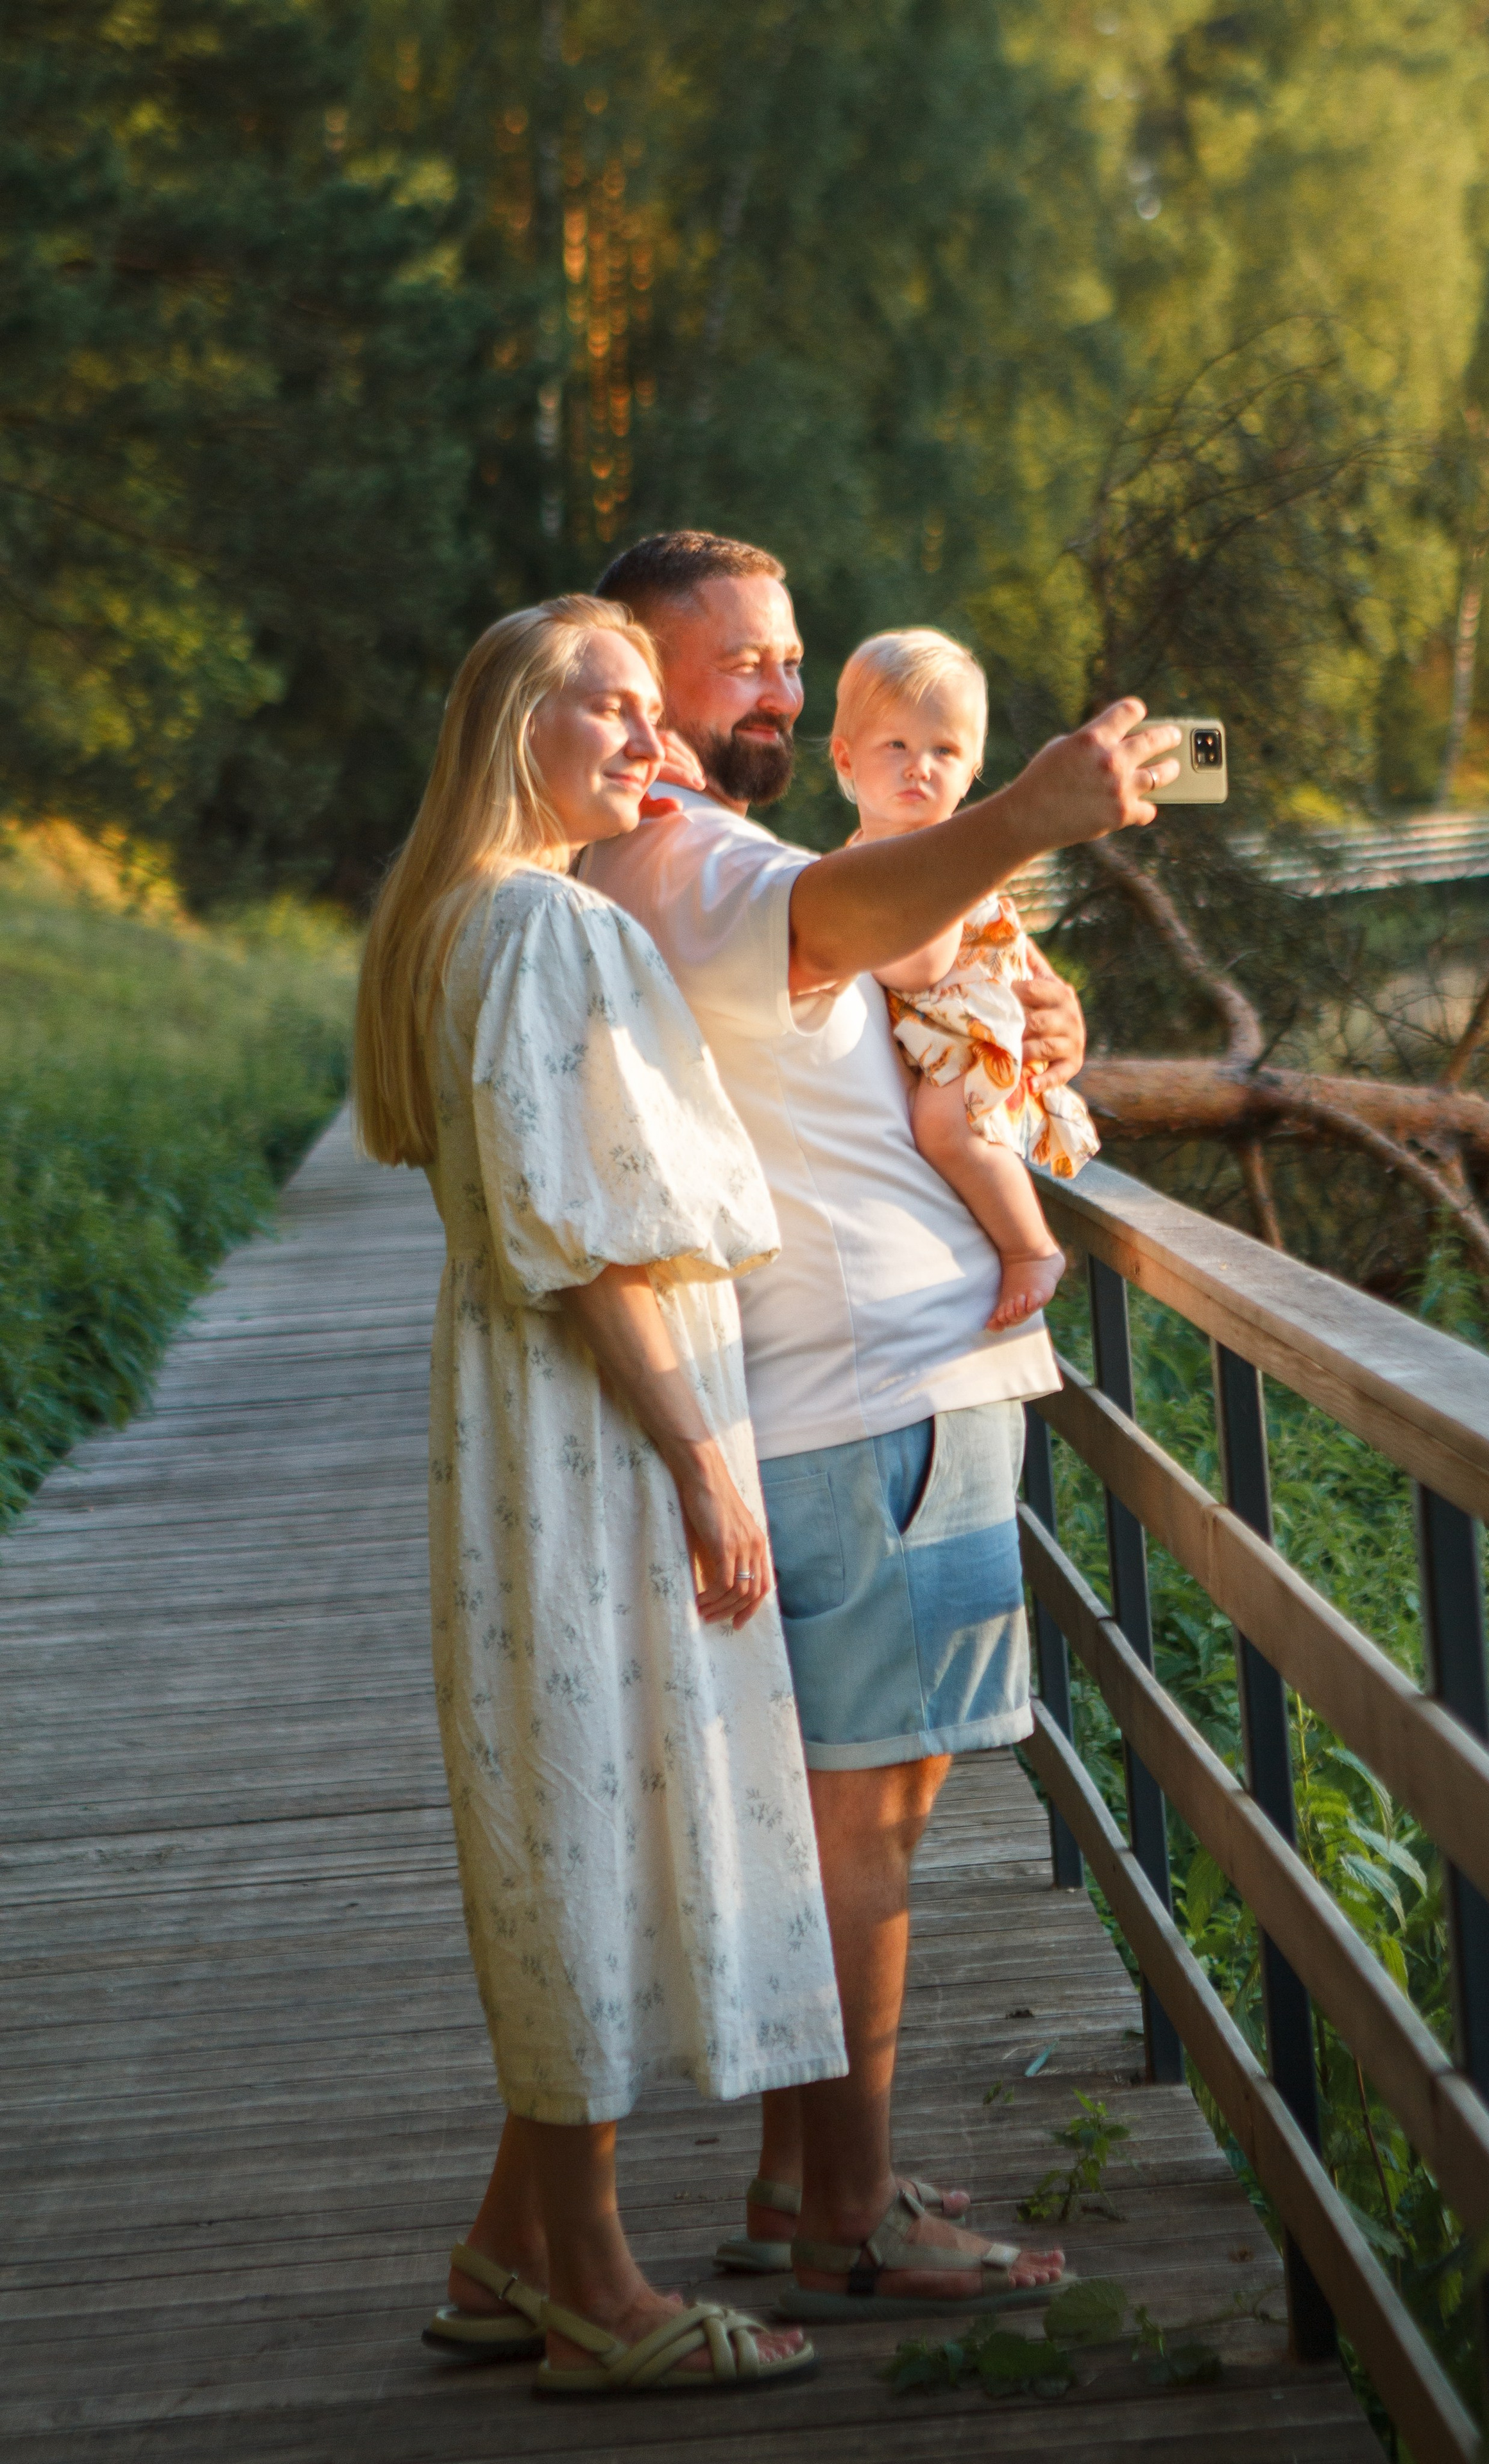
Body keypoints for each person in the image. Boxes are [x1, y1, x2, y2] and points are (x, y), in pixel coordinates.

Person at [583, 531, 1177, 2320]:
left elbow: (883, 981)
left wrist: (1039, 1017)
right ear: (637, 679)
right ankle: (853, 2213)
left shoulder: (688, 849)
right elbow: (843, 921)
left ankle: (799, 2182)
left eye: (787, 657)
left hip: (854, 1389)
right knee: (872, 1831)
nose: (774, 685)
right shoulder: (685, 858)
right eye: (738, 664)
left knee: (857, 1812)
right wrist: (1034, 814)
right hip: (878, 1390)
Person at [352, 594, 847, 2394]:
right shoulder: (543, 924)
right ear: (516, 731)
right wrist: (708, 1463)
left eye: (662, 711)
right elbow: (585, 1246)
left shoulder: (462, 918)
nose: (659, 744)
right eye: (613, 710)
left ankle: (509, 2254)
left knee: (580, 1803)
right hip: (597, 1423)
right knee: (588, 1830)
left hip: (545, 1418)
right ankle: (603, 2297)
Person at [830, 626, 1102, 1333]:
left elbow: (943, 962)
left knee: (945, 1125)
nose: (920, 766)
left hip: (971, 1038)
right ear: (844, 757)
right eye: (896, 745)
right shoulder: (850, 870)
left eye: (944, 750)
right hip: (942, 1039)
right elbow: (913, 965)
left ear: (974, 768)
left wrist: (1059, 1012)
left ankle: (1031, 1248)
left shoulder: (955, 862)